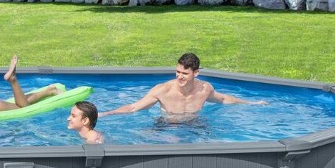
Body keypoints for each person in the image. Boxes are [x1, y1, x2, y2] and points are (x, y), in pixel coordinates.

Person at [100, 52, 265, 121]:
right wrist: (106, 113)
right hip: (167, 126)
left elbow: (223, 99)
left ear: (196, 73)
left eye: (184, 73)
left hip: (195, 124)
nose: (179, 76)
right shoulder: (163, 90)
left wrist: (252, 103)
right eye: (177, 72)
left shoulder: (204, 89)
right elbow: (133, 107)